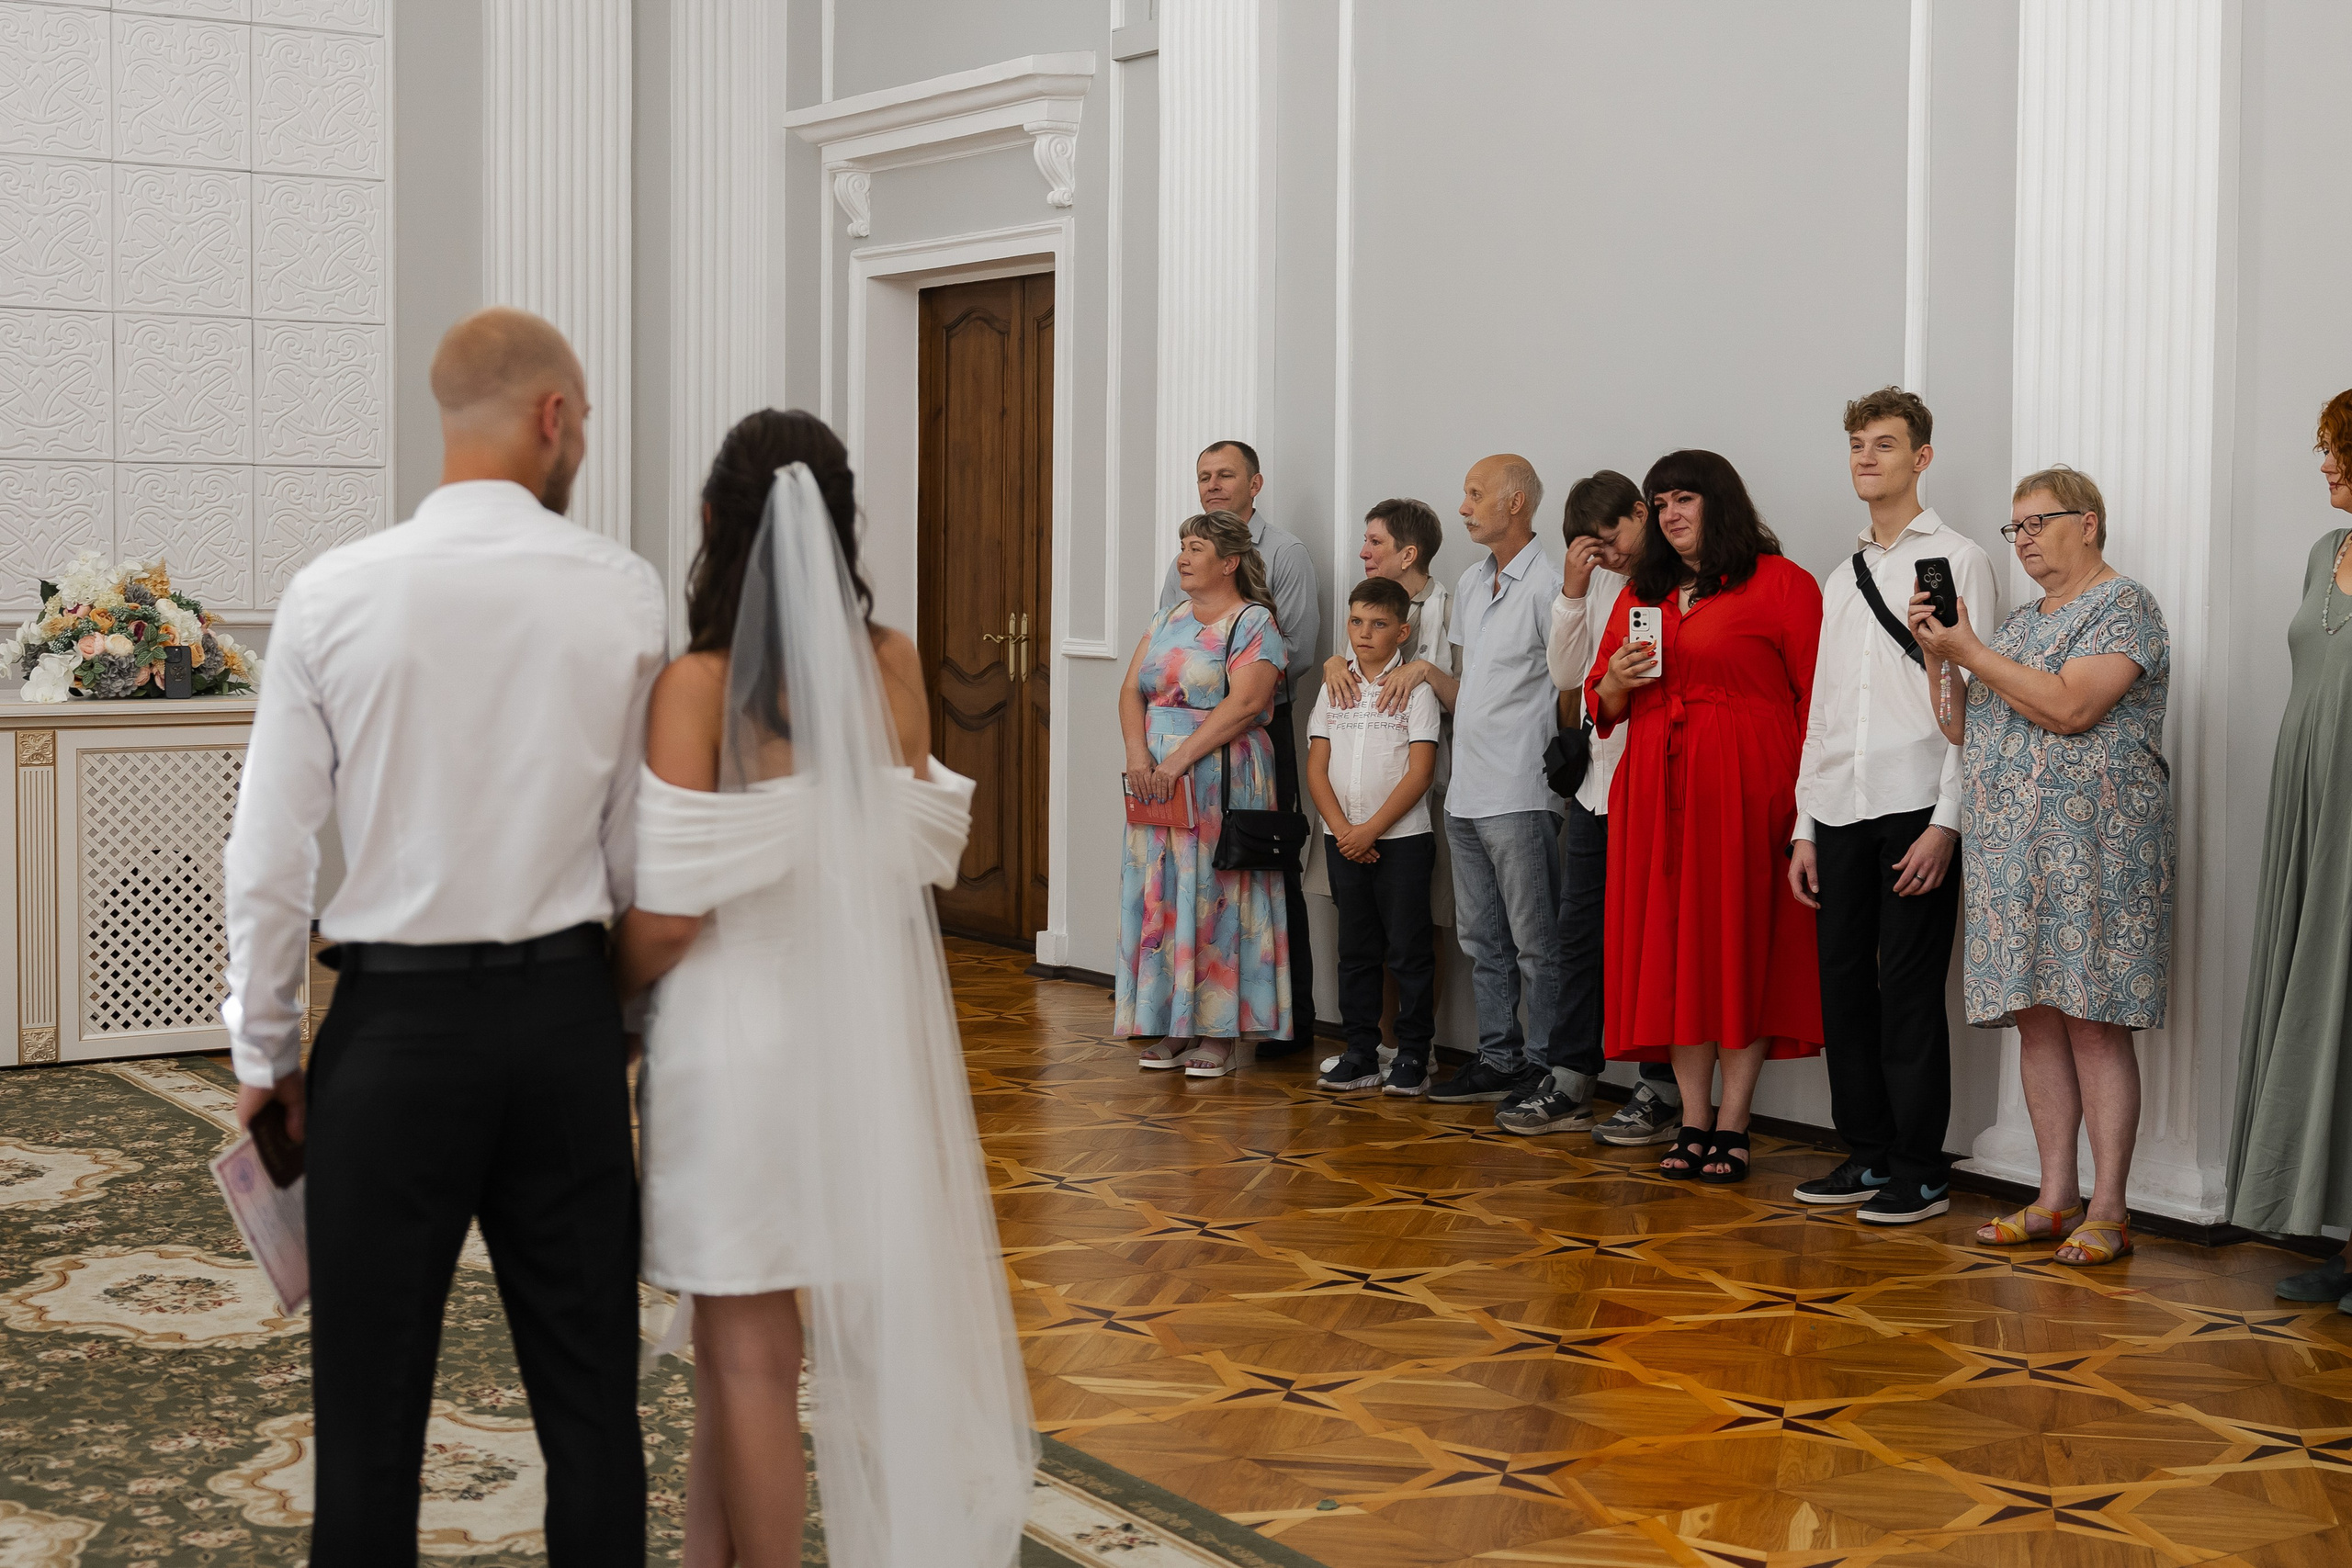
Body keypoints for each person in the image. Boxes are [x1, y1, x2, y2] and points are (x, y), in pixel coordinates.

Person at [221, 308, 663, 1562]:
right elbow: (637, 857)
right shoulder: (619, 591)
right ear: (554, 418)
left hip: (392, 1034)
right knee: (592, 1413)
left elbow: (270, 854)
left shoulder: (331, 591)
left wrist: (268, 1053)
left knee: (366, 1421)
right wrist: (612, 1026)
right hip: (561, 1018)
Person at [612, 412, 1034, 1567]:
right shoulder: (890, 662)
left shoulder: (693, 687)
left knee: (745, 1357)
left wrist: (601, 1001)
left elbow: (668, 915)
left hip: (732, 1046)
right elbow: (920, 851)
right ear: (839, 524)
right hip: (861, 1042)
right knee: (749, 1350)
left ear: (711, 526)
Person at [1910, 466, 2174, 1268]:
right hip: (2011, 854)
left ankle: (2111, 1207)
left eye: (2036, 524)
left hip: (2095, 854)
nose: (2021, 540)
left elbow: (2071, 707)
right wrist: (1939, 658)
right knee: (2036, 1020)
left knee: (2094, 1023)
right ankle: (2055, 1196)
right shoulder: (2019, 625)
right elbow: (1964, 731)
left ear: (2087, 522)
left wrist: (1970, 651)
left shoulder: (2124, 605)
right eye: (2013, 528)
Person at [1788, 389, 1999, 1225]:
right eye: (1856, 445)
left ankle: (1921, 1165)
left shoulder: (1962, 557)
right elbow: (1823, 708)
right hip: (1839, 801)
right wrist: (1804, 824)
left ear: (1922, 458)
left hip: (1917, 800)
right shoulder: (1841, 577)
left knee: (1909, 989)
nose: (1866, 458)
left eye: (1883, 444)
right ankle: (1867, 1151)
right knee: (1842, 984)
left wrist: (1949, 819)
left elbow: (1975, 698)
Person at [1586, 450, 1824, 1183]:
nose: (1670, 514)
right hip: (1656, 791)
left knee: (1738, 948)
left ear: (1720, 503)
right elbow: (1599, 700)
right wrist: (1618, 683)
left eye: (1684, 498)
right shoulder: (1641, 592)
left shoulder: (1782, 583)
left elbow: (1818, 701)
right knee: (1674, 953)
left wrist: (1809, 816)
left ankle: (1735, 1119)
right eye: (1659, 504)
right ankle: (1692, 1115)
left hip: (1751, 790)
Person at [1502, 471, 1683, 1141]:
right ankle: (1571, 1075)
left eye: (1612, 540)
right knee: (1578, 937)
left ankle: (1659, 1087)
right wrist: (1576, 588)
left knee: (1651, 940)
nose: (1609, 555)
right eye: (1593, 548)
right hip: (1595, 785)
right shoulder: (1599, 579)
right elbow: (1565, 674)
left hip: (1656, 785)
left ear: (1643, 513)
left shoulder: (1671, 579)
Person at [2231, 389, 2352, 1306]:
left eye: (2336, 453)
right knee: (2323, 1013)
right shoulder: (2324, 553)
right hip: (2311, 807)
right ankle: (2343, 1239)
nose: (2323, 467)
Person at [1159, 441, 1320, 1056]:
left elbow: (1297, 651)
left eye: (1225, 475)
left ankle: (1285, 1024)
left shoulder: (1286, 552)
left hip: (1257, 731)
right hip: (1187, 740)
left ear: (1256, 483)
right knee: (1191, 878)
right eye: (1204, 476)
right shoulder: (1187, 552)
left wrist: (1223, 694)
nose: (1213, 485)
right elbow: (1167, 631)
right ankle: (1192, 1016)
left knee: (1262, 865)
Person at [1119, 510, 1294, 1076]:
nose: (1184, 558)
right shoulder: (1168, 614)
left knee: (1217, 894)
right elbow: (1131, 690)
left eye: (1196, 548)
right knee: (1163, 891)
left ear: (1229, 562)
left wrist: (1176, 761)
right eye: (1182, 547)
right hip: (1157, 779)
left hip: (1221, 775)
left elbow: (1245, 704)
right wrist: (1140, 758)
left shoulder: (1254, 622)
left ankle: (1219, 1032)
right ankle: (1171, 1022)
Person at [1429, 455, 1567, 1106]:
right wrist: (1428, 678)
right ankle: (1498, 1056)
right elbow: (1473, 690)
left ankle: (1545, 1067)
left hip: (1520, 788)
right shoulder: (1470, 580)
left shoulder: (1549, 582)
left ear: (1516, 503)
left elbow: (1569, 686)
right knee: (1481, 937)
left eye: (1475, 492)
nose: (1464, 506)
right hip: (1466, 788)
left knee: (1536, 942)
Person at [1315, 498, 1459, 1055]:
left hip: (1425, 792)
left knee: (1420, 927)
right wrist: (1334, 662)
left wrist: (1424, 670)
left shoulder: (1448, 605)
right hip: (1352, 805)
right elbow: (1354, 674)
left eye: (1375, 542)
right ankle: (1367, 1044)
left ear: (1408, 552)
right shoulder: (1366, 611)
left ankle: (1410, 1047)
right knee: (1360, 932)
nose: (1363, 551)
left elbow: (1468, 694)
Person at [1306, 576, 1442, 1095]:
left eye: (1379, 624)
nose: (1364, 633)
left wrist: (1371, 831)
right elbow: (1317, 766)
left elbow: (1420, 772)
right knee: (1356, 950)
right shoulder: (1332, 686)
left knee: (1409, 951)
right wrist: (1345, 832)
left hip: (1402, 841)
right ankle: (1360, 1052)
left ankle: (1412, 1055)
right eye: (1357, 622)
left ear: (1402, 630)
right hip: (1342, 841)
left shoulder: (1415, 691)